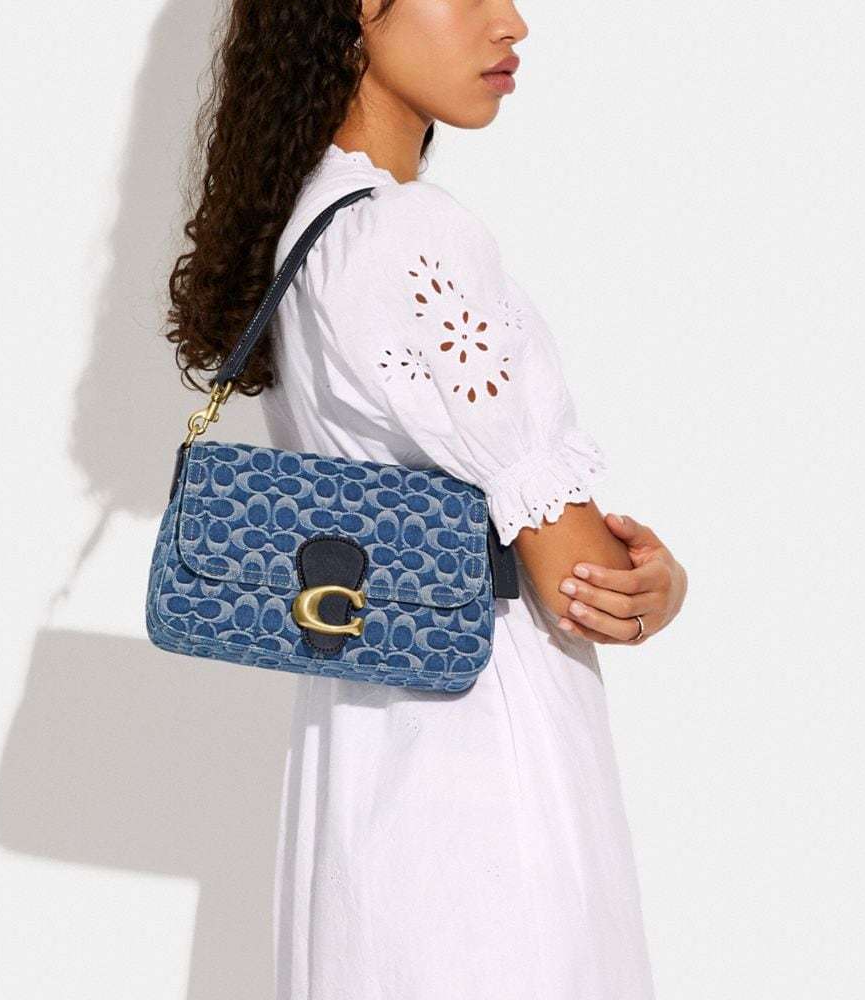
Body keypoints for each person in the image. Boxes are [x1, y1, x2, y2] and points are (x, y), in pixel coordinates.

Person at [165, 2, 688, 997]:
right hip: (483, 766)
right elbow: (584, 583)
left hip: (360, 755)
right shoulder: (414, 232)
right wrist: (657, 586)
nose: (513, 23)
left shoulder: (313, 224)